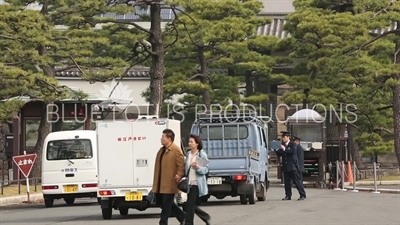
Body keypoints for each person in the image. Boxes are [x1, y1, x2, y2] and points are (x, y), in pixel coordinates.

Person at [152, 129, 186, 225]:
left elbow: (181, 165)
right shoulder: (162, 150)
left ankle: (163, 222)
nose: (161, 139)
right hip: (160, 182)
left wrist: (179, 175)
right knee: (164, 203)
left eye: (163, 137)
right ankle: (183, 216)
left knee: (167, 203)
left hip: (170, 182)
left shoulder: (175, 150)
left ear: (169, 139)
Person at [184, 134, 211, 225]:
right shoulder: (188, 154)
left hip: (197, 183)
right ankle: (205, 216)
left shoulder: (201, 154)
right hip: (189, 183)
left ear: (197, 143)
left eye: (192, 142)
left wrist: (197, 167)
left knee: (190, 204)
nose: (189, 143)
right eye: (189, 141)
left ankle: (188, 223)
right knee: (189, 204)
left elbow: (206, 169)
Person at [274, 131, 306, 201]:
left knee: (297, 181)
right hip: (286, 166)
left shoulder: (293, 144)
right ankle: (288, 195)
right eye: (282, 137)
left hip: (292, 166)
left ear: (288, 137)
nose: (283, 139)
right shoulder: (283, 145)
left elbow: (292, 151)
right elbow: (280, 153)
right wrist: (276, 149)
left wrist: (284, 149)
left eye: (284, 137)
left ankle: (302, 194)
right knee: (287, 182)